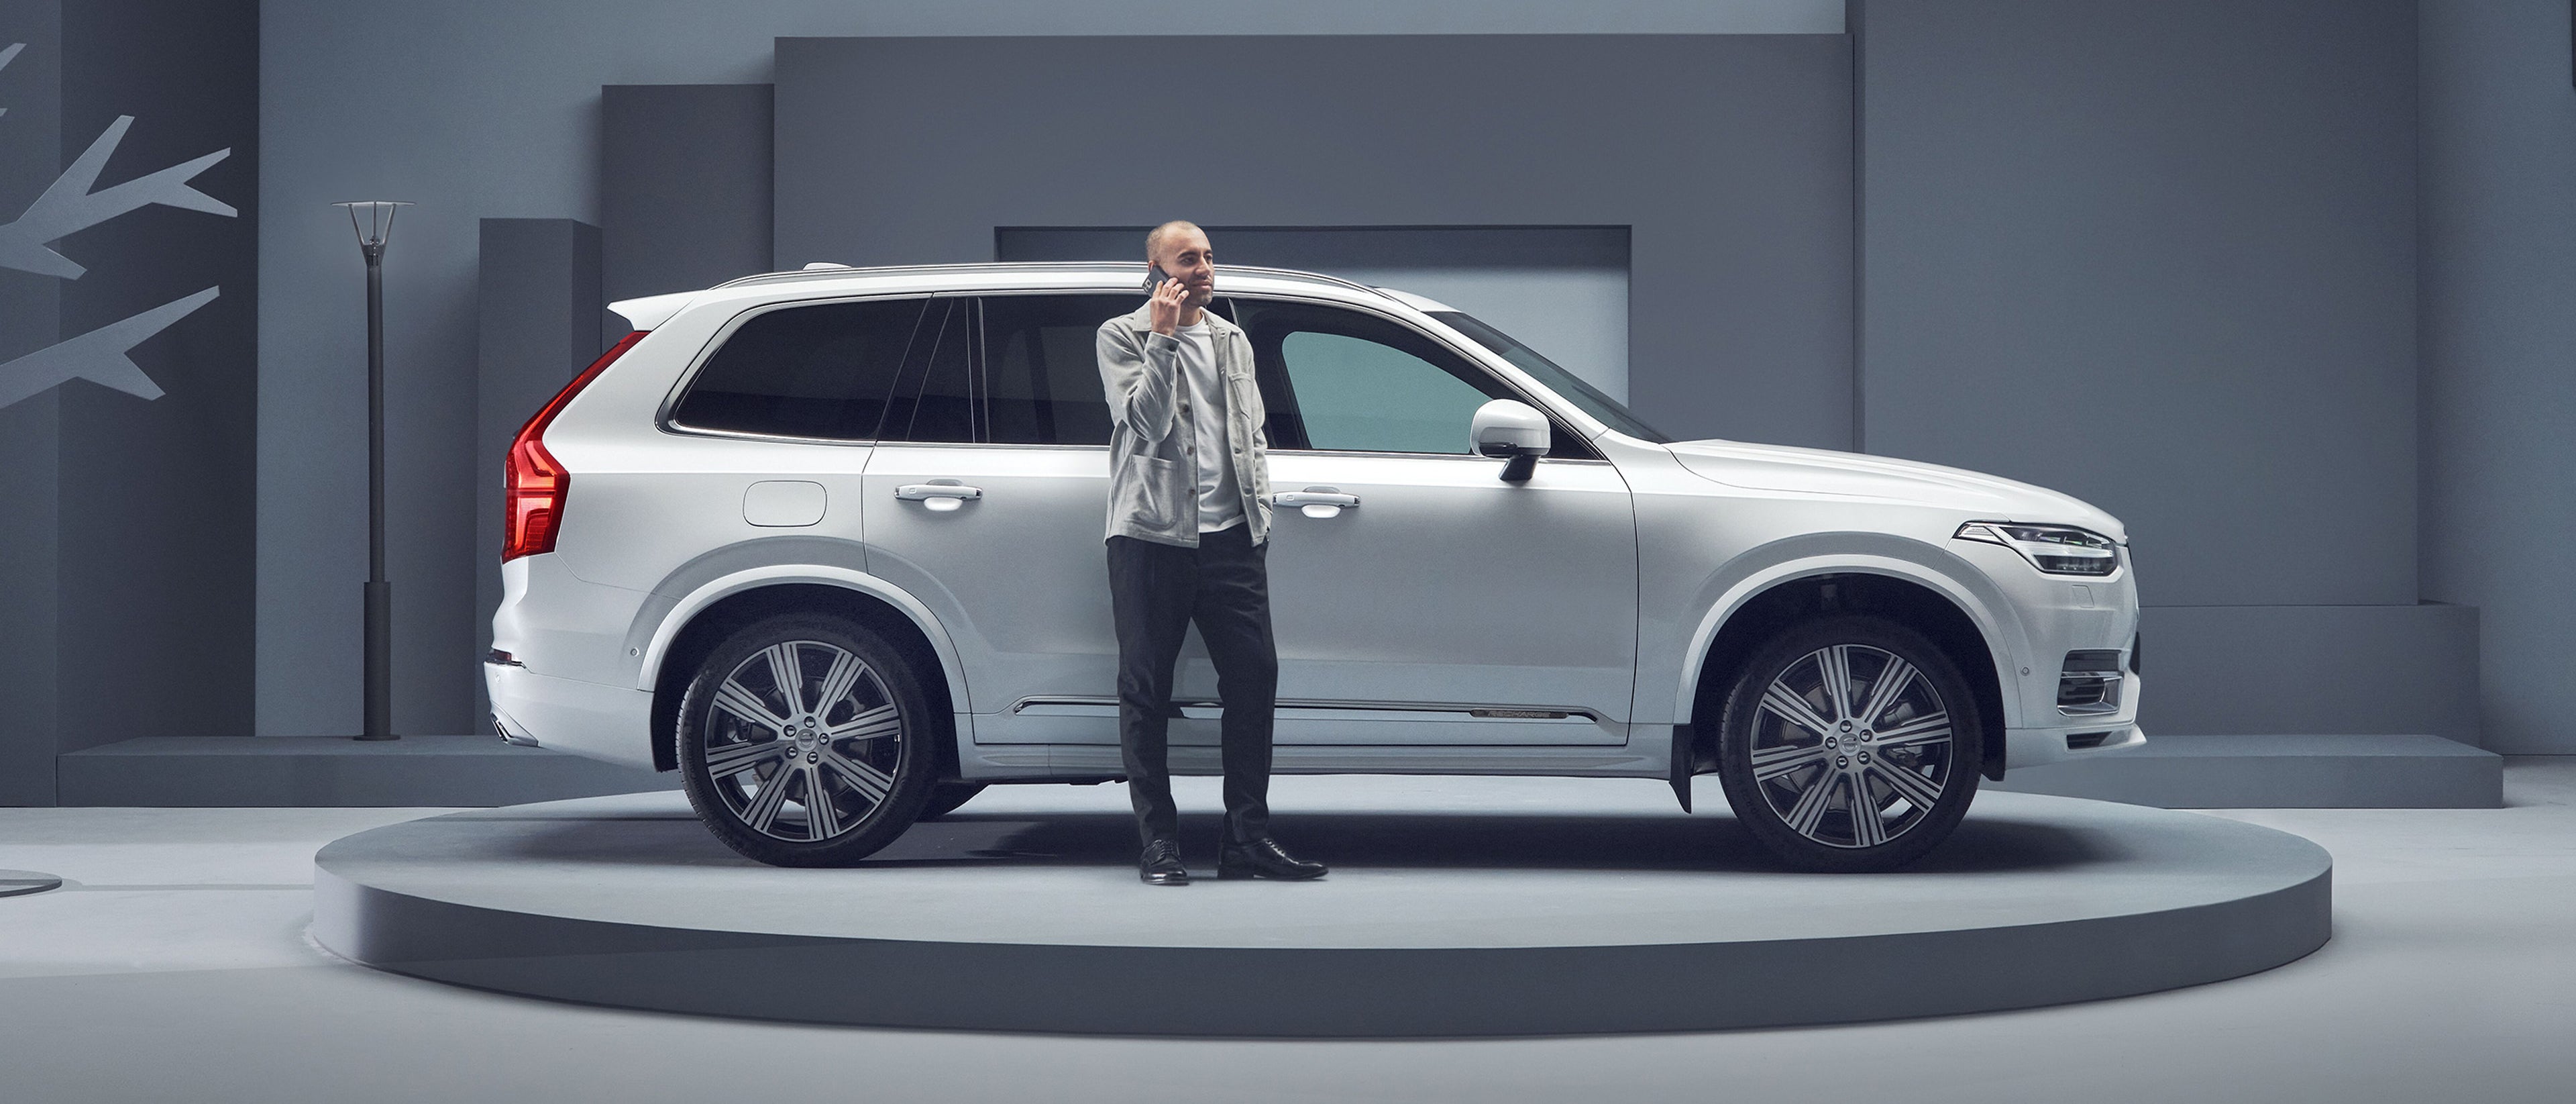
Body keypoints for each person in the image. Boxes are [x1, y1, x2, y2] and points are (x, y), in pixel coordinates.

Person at [1094, 221, 1326, 887]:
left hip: (1233, 542)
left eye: (1207, 257)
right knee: (1146, 691)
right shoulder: (1123, 335)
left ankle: (1247, 840)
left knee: (1255, 682)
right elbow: (1146, 425)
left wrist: (1261, 518)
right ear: (1156, 270)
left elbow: (1248, 436)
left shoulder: (1232, 340)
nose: (1203, 268)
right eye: (1186, 259)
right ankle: (1158, 844)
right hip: (1151, 539)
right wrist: (1164, 338)